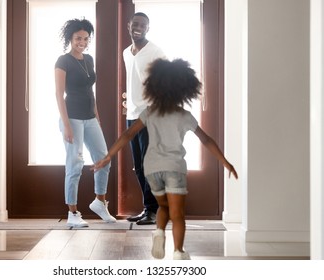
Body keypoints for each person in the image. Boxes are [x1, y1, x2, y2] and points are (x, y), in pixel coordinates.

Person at [92, 58, 238, 260]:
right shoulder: (184, 115)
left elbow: (127, 135)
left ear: (155, 88)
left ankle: (159, 233)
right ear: (183, 90)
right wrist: (225, 162)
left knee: (163, 206)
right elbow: (206, 140)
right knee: (177, 213)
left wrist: (108, 156)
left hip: (152, 168)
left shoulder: (149, 112)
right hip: (174, 168)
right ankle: (178, 252)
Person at [55, 18, 116, 227]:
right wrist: (67, 125)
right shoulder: (63, 61)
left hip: (90, 118)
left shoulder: (88, 59)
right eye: (78, 38)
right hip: (72, 117)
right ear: (70, 39)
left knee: (104, 159)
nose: (82, 41)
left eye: (85, 38)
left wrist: (96, 116)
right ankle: (72, 212)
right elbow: (58, 94)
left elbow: (90, 91)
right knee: (75, 164)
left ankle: (100, 202)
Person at [123, 12, 165, 225]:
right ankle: (149, 208)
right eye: (135, 24)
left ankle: (153, 210)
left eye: (143, 25)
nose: (138, 27)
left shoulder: (155, 52)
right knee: (138, 166)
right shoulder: (126, 53)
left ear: (148, 28)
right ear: (128, 25)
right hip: (132, 114)